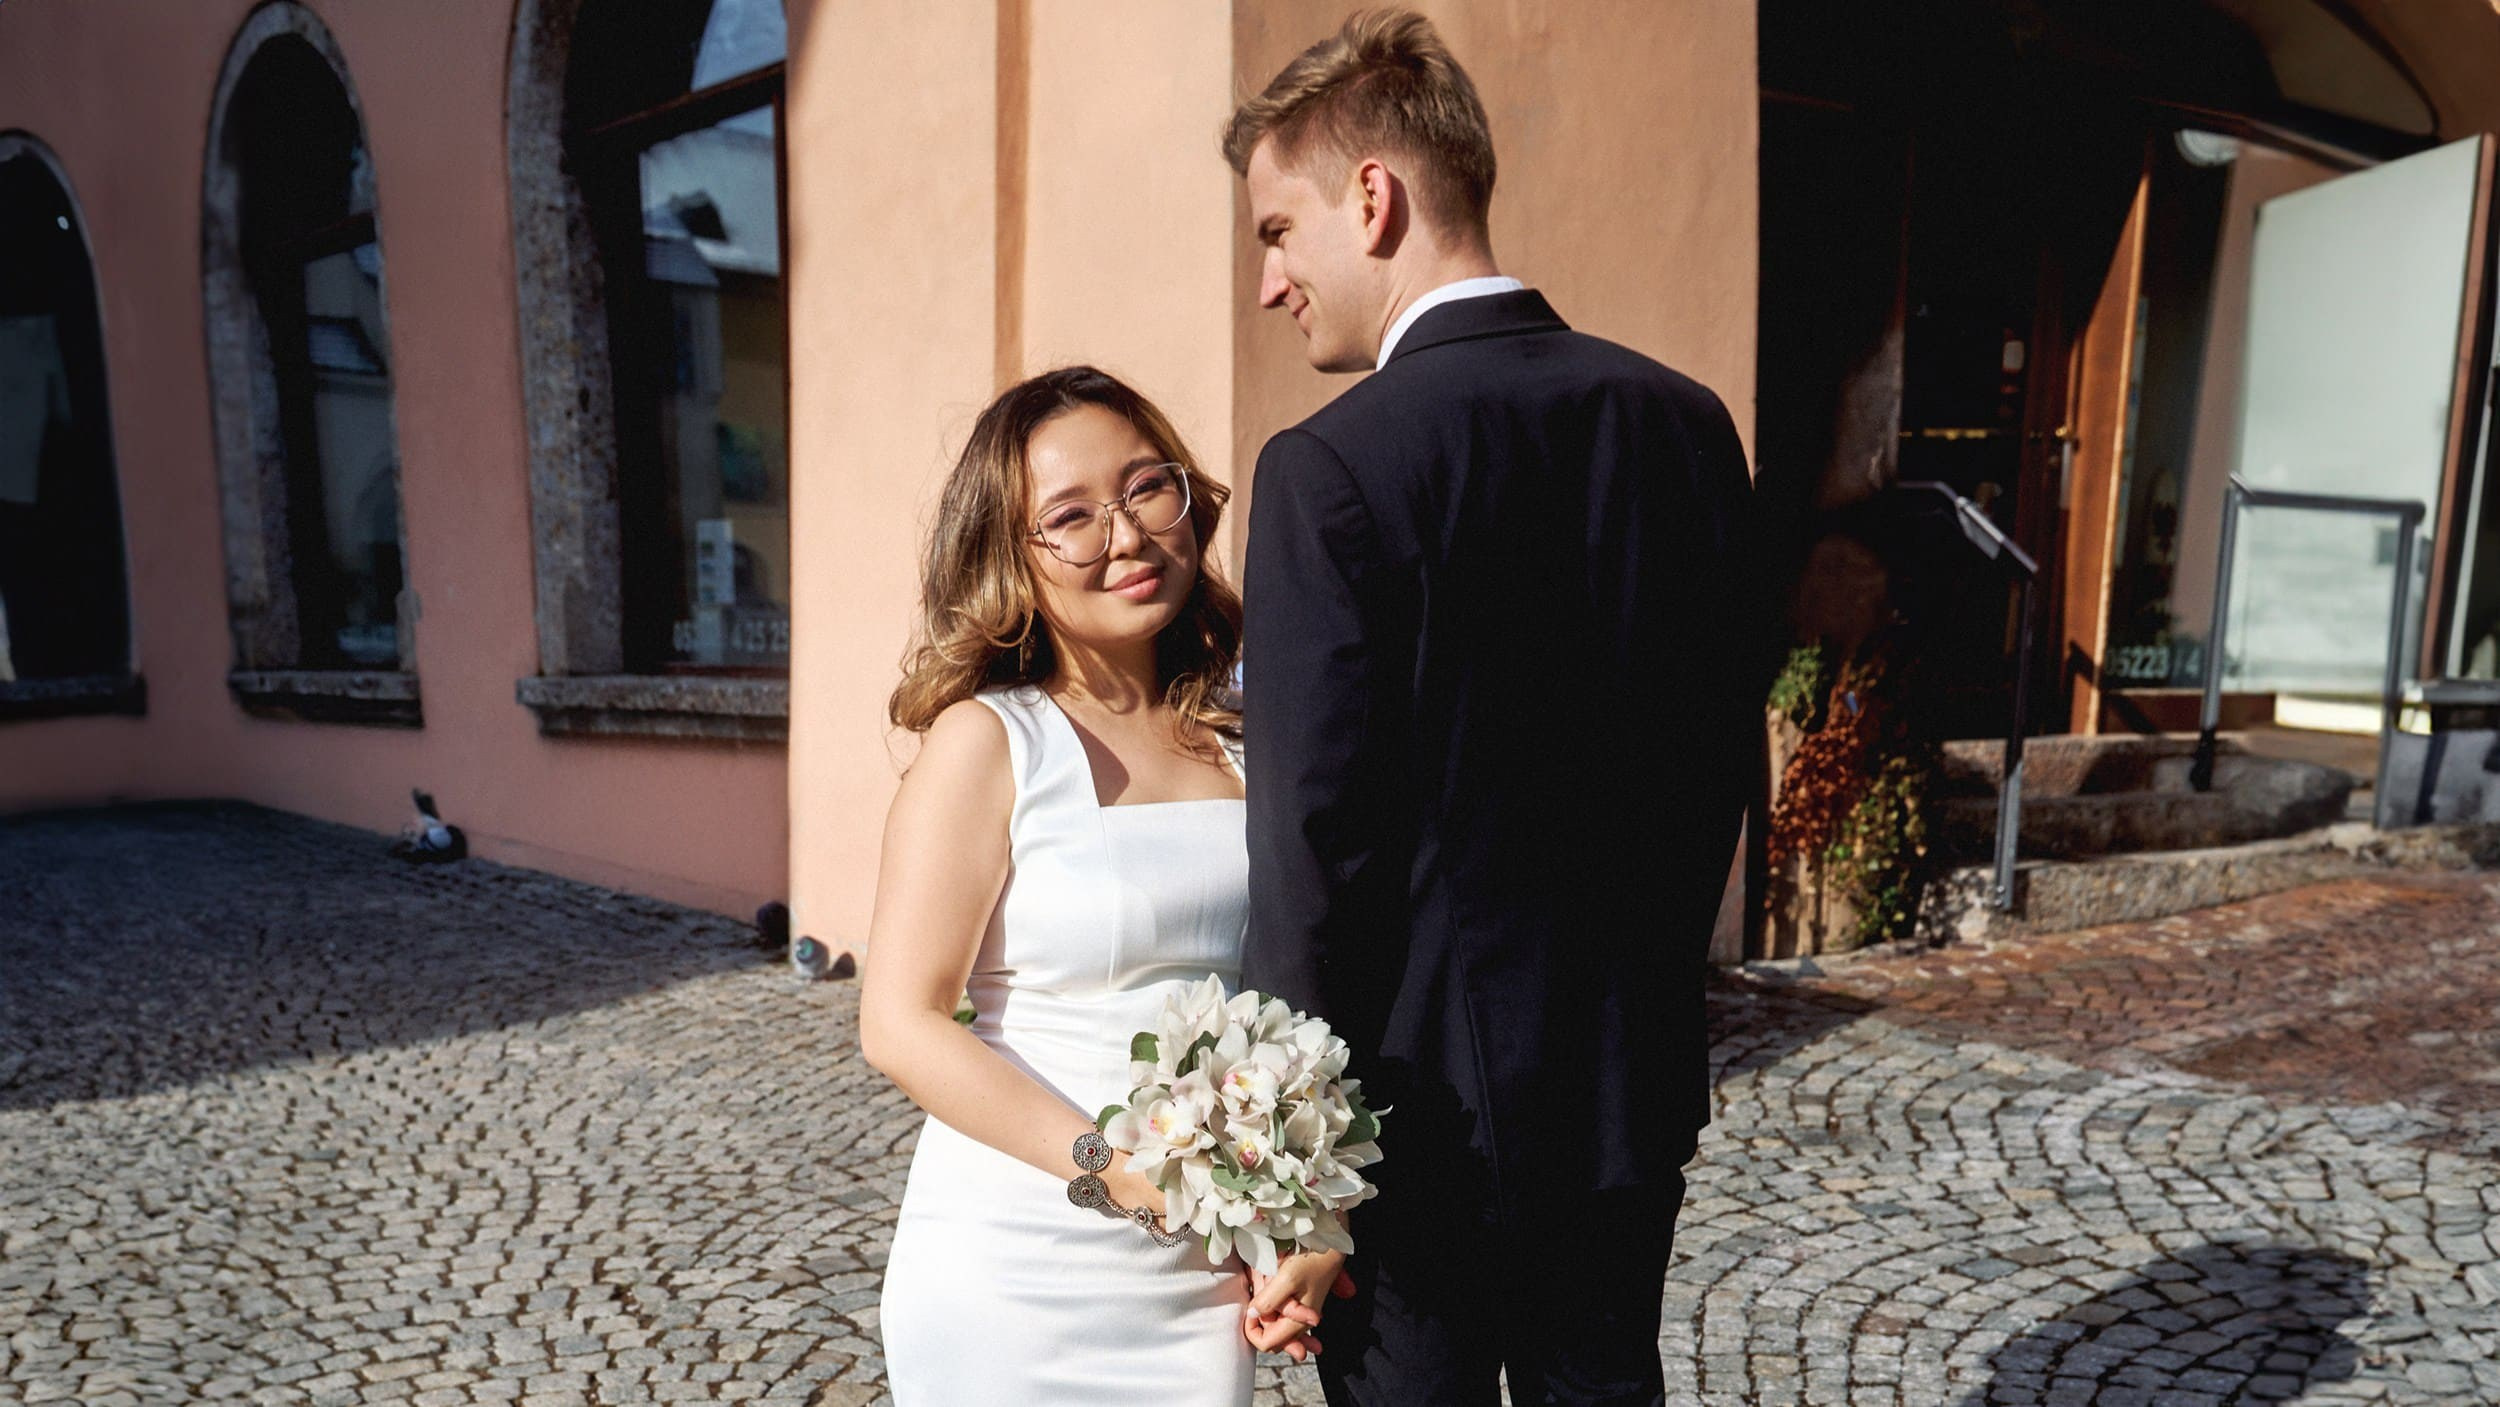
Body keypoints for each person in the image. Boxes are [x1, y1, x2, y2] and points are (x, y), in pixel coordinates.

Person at [1224, 11, 1757, 1404]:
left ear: (1375, 198)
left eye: (1278, 231)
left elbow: (1311, 853)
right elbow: (1718, 764)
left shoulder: (1331, 470)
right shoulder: (1687, 421)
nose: (1271, 281)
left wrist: (1292, 1174)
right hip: (1624, 1085)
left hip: (1422, 1131)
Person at [862, 367, 1320, 1404]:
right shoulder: (988, 742)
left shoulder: (1253, 739)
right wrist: (1114, 1170)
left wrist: (1295, 1217)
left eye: (1146, 489)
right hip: (1017, 1265)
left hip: (1195, 1276)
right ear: (1012, 563)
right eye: (1070, 518)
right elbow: (901, 1022)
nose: (1125, 536)